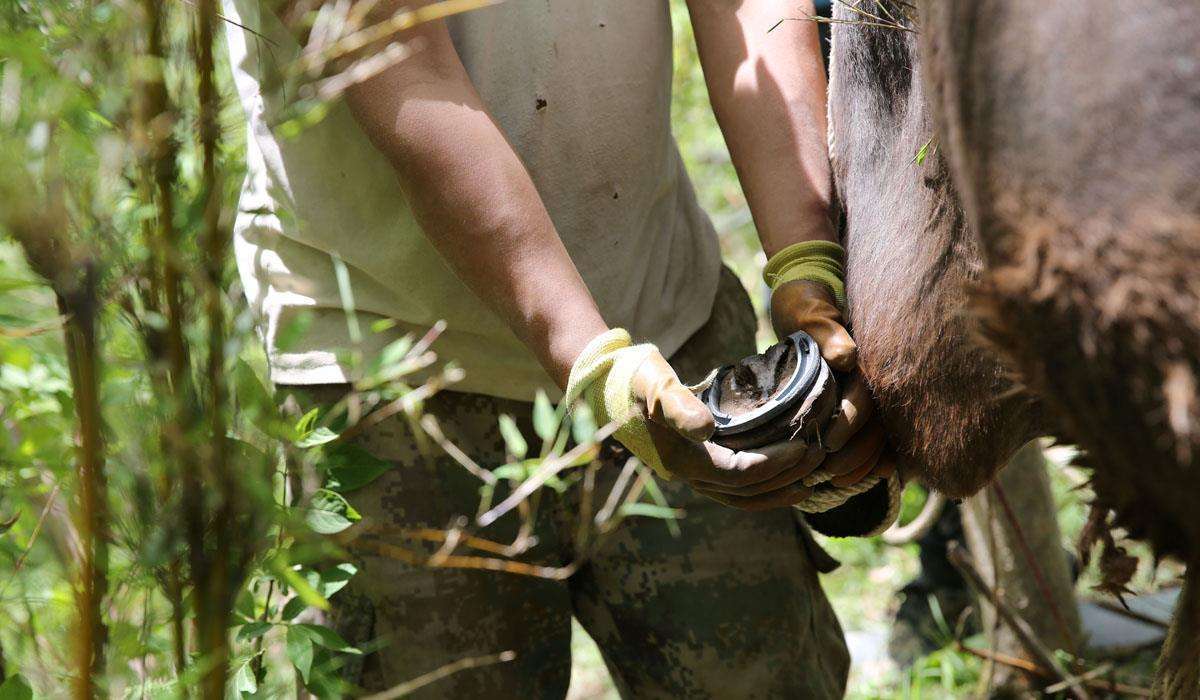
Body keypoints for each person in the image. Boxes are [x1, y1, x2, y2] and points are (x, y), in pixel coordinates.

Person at [223, 0, 892, 695]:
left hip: (667, 319)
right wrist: (596, 364)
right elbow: (401, 64)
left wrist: (805, 259)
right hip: (394, 384)